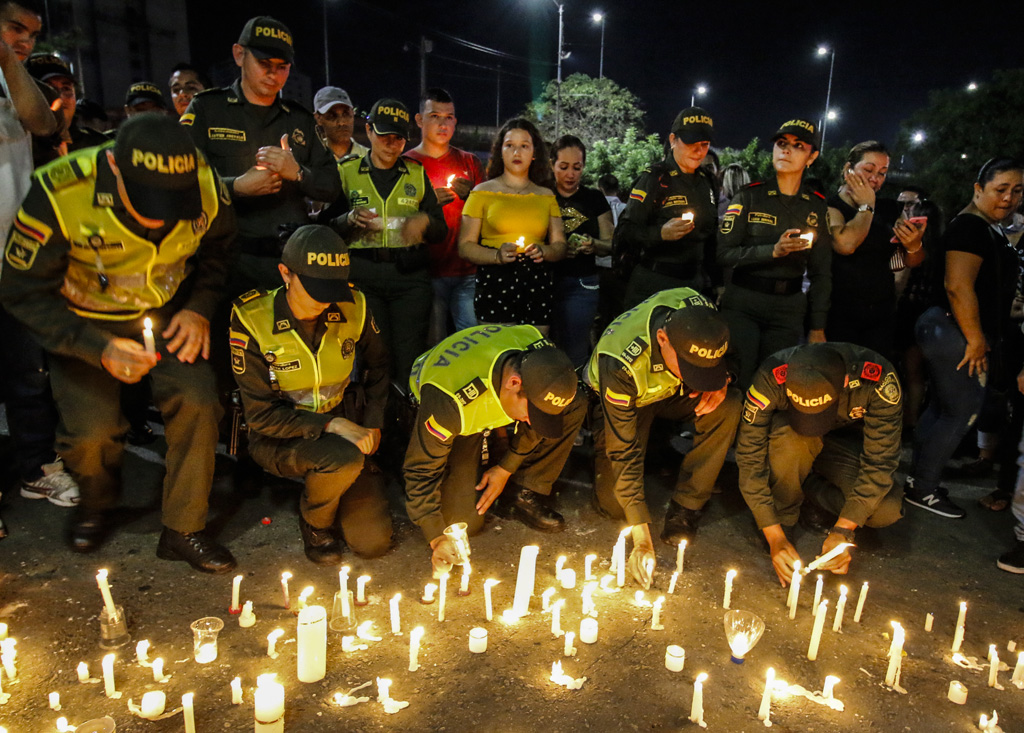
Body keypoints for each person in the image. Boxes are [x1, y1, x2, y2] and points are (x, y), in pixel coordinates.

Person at [0, 113, 239, 571]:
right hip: (85, 323)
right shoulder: (61, 192)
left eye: (174, 202)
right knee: (89, 437)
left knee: (199, 401)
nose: (160, 216)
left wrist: (199, 308)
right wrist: (97, 348)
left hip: (168, 313)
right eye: (148, 200)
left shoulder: (205, 180)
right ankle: (97, 503)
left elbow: (220, 251)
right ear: (112, 165)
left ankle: (183, 527)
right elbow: (21, 290)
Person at [230, 225, 392, 564]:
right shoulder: (252, 318)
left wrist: (374, 423)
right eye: (315, 288)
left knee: (372, 542)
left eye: (332, 289)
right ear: (285, 273)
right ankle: (315, 522)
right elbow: (261, 415)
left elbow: (379, 365)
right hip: (280, 436)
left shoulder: (354, 305)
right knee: (343, 461)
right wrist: (333, 424)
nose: (325, 299)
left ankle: (333, 481)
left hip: (346, 430)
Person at [586, 289, 740, 587]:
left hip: (673, 395)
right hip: (628, 403)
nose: (692, 373)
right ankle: (654, 450)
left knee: (730, 403)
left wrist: (722, 380)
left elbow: (734, 356)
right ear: (662, 339)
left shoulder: (704, 318)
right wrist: (642, 540)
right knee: (615, 506)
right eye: (689, 367)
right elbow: (623, 448)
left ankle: (688, 505)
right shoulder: (620, 360)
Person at [404, 327, 585, 573]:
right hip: (455, 417)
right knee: (466, 522)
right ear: (514, 383)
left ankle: (522, 489)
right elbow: (421, 469)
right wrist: (436, 536)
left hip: (488, 407)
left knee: (577, 401)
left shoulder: (540, 359)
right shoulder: (450, 399)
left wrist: (506, 467)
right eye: (533, 415)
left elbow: (542, 412)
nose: (533, 423)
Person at [182, 15, 340, 292]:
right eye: (264, 64)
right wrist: (235, 187)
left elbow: (332, 187)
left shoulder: (300, 120)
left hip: (290, 264)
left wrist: (298, 173)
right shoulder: (207, 109)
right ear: (239, 55)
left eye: (282, 67)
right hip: (228, 263)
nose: (273, 74)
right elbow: (180, 185)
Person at [904, 158, 1024, 518]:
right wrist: (974, 339)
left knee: (942, 408)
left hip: (947, 327)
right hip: (952, 330)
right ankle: (922, 488)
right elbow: (957, 286)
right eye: (1000, 189)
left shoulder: (985, 227)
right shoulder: (971, 228)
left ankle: (919, 480)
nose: (1009, 198)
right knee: (960, 412)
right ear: (978, 189)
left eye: (1017, 191)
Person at [736, 343, 904, 586]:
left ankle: (812, 492)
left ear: (845, 382)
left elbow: (880, 463)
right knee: (792, 438)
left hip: (843, 447)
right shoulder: (772, 375)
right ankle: (785, 513)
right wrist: (774, 534)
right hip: (793, 441)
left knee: (885, 510)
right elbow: (749, 457)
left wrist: (843, 531)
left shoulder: (877, 379)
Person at [0, 0, 76, 526]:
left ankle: (35, 469)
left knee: (28, 371)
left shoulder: (17, 81)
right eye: (14, 28)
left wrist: (9, 61)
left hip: (14, 257)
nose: (24, 39)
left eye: (31, 32)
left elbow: (40, 121)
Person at [326, 97, 447, 383]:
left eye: (398, 138)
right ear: (368, 131)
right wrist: (346, 220)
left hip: (409, 279)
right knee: (373, 358)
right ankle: (374, 424)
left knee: (410, 358)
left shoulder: (416, 174)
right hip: (363, 278)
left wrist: (426, 222)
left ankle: (406, 421)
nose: (391, 143)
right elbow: (323, 227)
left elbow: (441, 231)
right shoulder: (346, 172)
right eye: (384, 135)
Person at [717, 118, 832, 387]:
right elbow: (723, 254)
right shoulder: (749, 196)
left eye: (798, 146)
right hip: (744, 303)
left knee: (773, 385)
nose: (786, 151)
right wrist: (773, 251)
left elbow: (821, 273)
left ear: (812, 157)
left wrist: (817, 326)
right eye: (781, 144)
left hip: (788, 310)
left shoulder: (816, 206)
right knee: (737, 379)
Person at [457, 118, 566, 335]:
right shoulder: (481, 192)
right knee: (498, 354)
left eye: (524, 146)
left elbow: (561, 245)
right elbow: (465, 246)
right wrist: (496, 256)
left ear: (534, 152)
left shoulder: (545, 195)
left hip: (537, 281)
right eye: (510, 145)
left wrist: (544, 251)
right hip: (495, 280)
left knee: (532, 351)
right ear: (500, 151)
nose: (517, 152)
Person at [826, 141, 926, 360]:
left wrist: (913, 245)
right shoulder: (831, 206)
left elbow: (905, 262)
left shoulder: (890, 209)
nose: (875, 179)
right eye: (868, 170)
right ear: (847, 169)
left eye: (882, 173)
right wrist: (867, 206)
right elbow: (845, 245)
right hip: (838, 312)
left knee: (873, 380)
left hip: (881, 312)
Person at [614, 106, 718, 308]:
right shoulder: (655, 178)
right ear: (673, 140)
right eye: (691, 143)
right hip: (654, 283)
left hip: (693, 286)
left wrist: (717, 283)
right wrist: (660, 233)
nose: (698, 151)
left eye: (704, 144)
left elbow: (712, 239)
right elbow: (625, 231)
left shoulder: (708, 182)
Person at [405, 87, 485, 344]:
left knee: (472, 342)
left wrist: (473, 194)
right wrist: (428, 205)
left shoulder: (470, 162)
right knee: (434, 344)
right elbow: (398, 218)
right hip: (427, 272)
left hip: (467, 270)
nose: (443, 123)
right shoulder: (407, 164)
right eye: (435, 115)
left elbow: (489, 213)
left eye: (448, 117)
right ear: (419, 120)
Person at [549, 134, 612, 366]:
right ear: (552, 165)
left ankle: (576, 397)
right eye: (563, 167)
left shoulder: (594, 198)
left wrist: (593, 245)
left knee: (575, 350)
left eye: (577, 167)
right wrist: (555, 250)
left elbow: (611, 244)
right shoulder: (542, 195)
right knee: (543, 348)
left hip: (582, 283)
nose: (570, 174)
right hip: (545, 280)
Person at [313, 86, 367, 162]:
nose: (341, 122)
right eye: (332, 116)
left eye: (346, 114)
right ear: (318, 118)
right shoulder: (310, 161)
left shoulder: (371, 160)